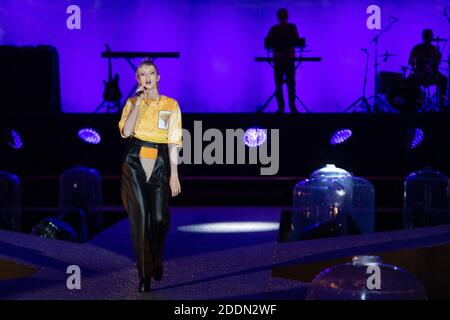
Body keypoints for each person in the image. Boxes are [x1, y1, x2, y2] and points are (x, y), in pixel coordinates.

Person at [118, 59, 182, 292]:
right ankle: (144, 275)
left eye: (151, 73)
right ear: (138, 80)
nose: (147, 77)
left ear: (158, 77)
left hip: (160, 159)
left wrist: (174, 174)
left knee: (158, 218)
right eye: (142, 74)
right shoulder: (132, 102)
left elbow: (174, 141)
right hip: (134, 159)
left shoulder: (171, 104)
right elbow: (126, 132)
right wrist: (136, 104)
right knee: (140, 217)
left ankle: (155, 258)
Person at [265, 8, 300, 113]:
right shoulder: (275, 29)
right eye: (282, 16)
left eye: (284, 16)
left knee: (290, 85)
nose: (283, 18)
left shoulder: (290, 27)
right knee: (280, 85)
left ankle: (290, 107)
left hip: (286, 60)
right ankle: (282, 108)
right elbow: (267, 43)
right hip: (280, 60)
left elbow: (296, 41)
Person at [408, 29, 448, 110]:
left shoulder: (434, 49)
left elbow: (437, 62)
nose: (428, 39)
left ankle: (442, 103)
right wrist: (416, 64)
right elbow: (410, 62)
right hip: (420, 73)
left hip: (432, 74)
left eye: (429, 37)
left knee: (444, 80)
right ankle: (415, 102)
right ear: (423, 37)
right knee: (409, 80)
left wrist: (436, 59)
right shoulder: (417, 48)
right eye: (427, 37)